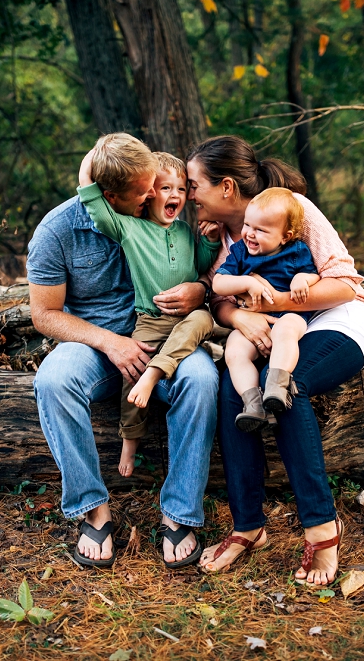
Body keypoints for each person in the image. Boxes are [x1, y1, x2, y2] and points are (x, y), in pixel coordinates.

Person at [188, 135, 364, 586]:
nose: (187, 195)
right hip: (275, 327)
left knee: (287, 387)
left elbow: (342, 284)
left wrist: (270, 302)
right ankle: (248, 525)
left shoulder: (291, 208)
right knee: (234, 389)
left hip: (335, 318)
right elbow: (221, 301)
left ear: (225, 188)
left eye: (192, 184)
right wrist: (242, 317)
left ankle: (322, 528)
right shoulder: (225, 237)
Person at [27, 133, 217, 570]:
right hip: (97, 342)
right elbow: (44, 315)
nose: (156, 194)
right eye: (145, 191)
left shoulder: (168, 221)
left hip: (164, 337)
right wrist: (109, 342)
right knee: (53, 381)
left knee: (203, 380)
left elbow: (211, 263)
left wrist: (199, 289)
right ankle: (93, 506)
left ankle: (179, 511)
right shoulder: (58, 231)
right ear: (109, 196)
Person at [77, 144, 221, 481]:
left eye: (182, 189)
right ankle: (130, 439)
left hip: (189, 319)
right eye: (166, 188)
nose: (176, 195)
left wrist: (210, 242)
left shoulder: (186, 232)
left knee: (203, 318)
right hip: (151, 321)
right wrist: (88, 168)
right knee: (131, 373)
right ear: (149, 193)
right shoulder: (130, 228)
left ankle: (156, 373)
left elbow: (199, 265)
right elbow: (96, 206)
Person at [212, 188, 321, 431]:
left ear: (285, 236)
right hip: (253, 320)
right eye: (247, 225)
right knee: (234, 350)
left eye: (260, 230)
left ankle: (277, 386)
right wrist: (247, 282)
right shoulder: (240, 251)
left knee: (286, 330)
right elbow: (219, 283)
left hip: (290, 315)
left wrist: (301, 280)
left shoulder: (296, 250)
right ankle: (253, 403)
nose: (250, 233)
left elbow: (312, 274)